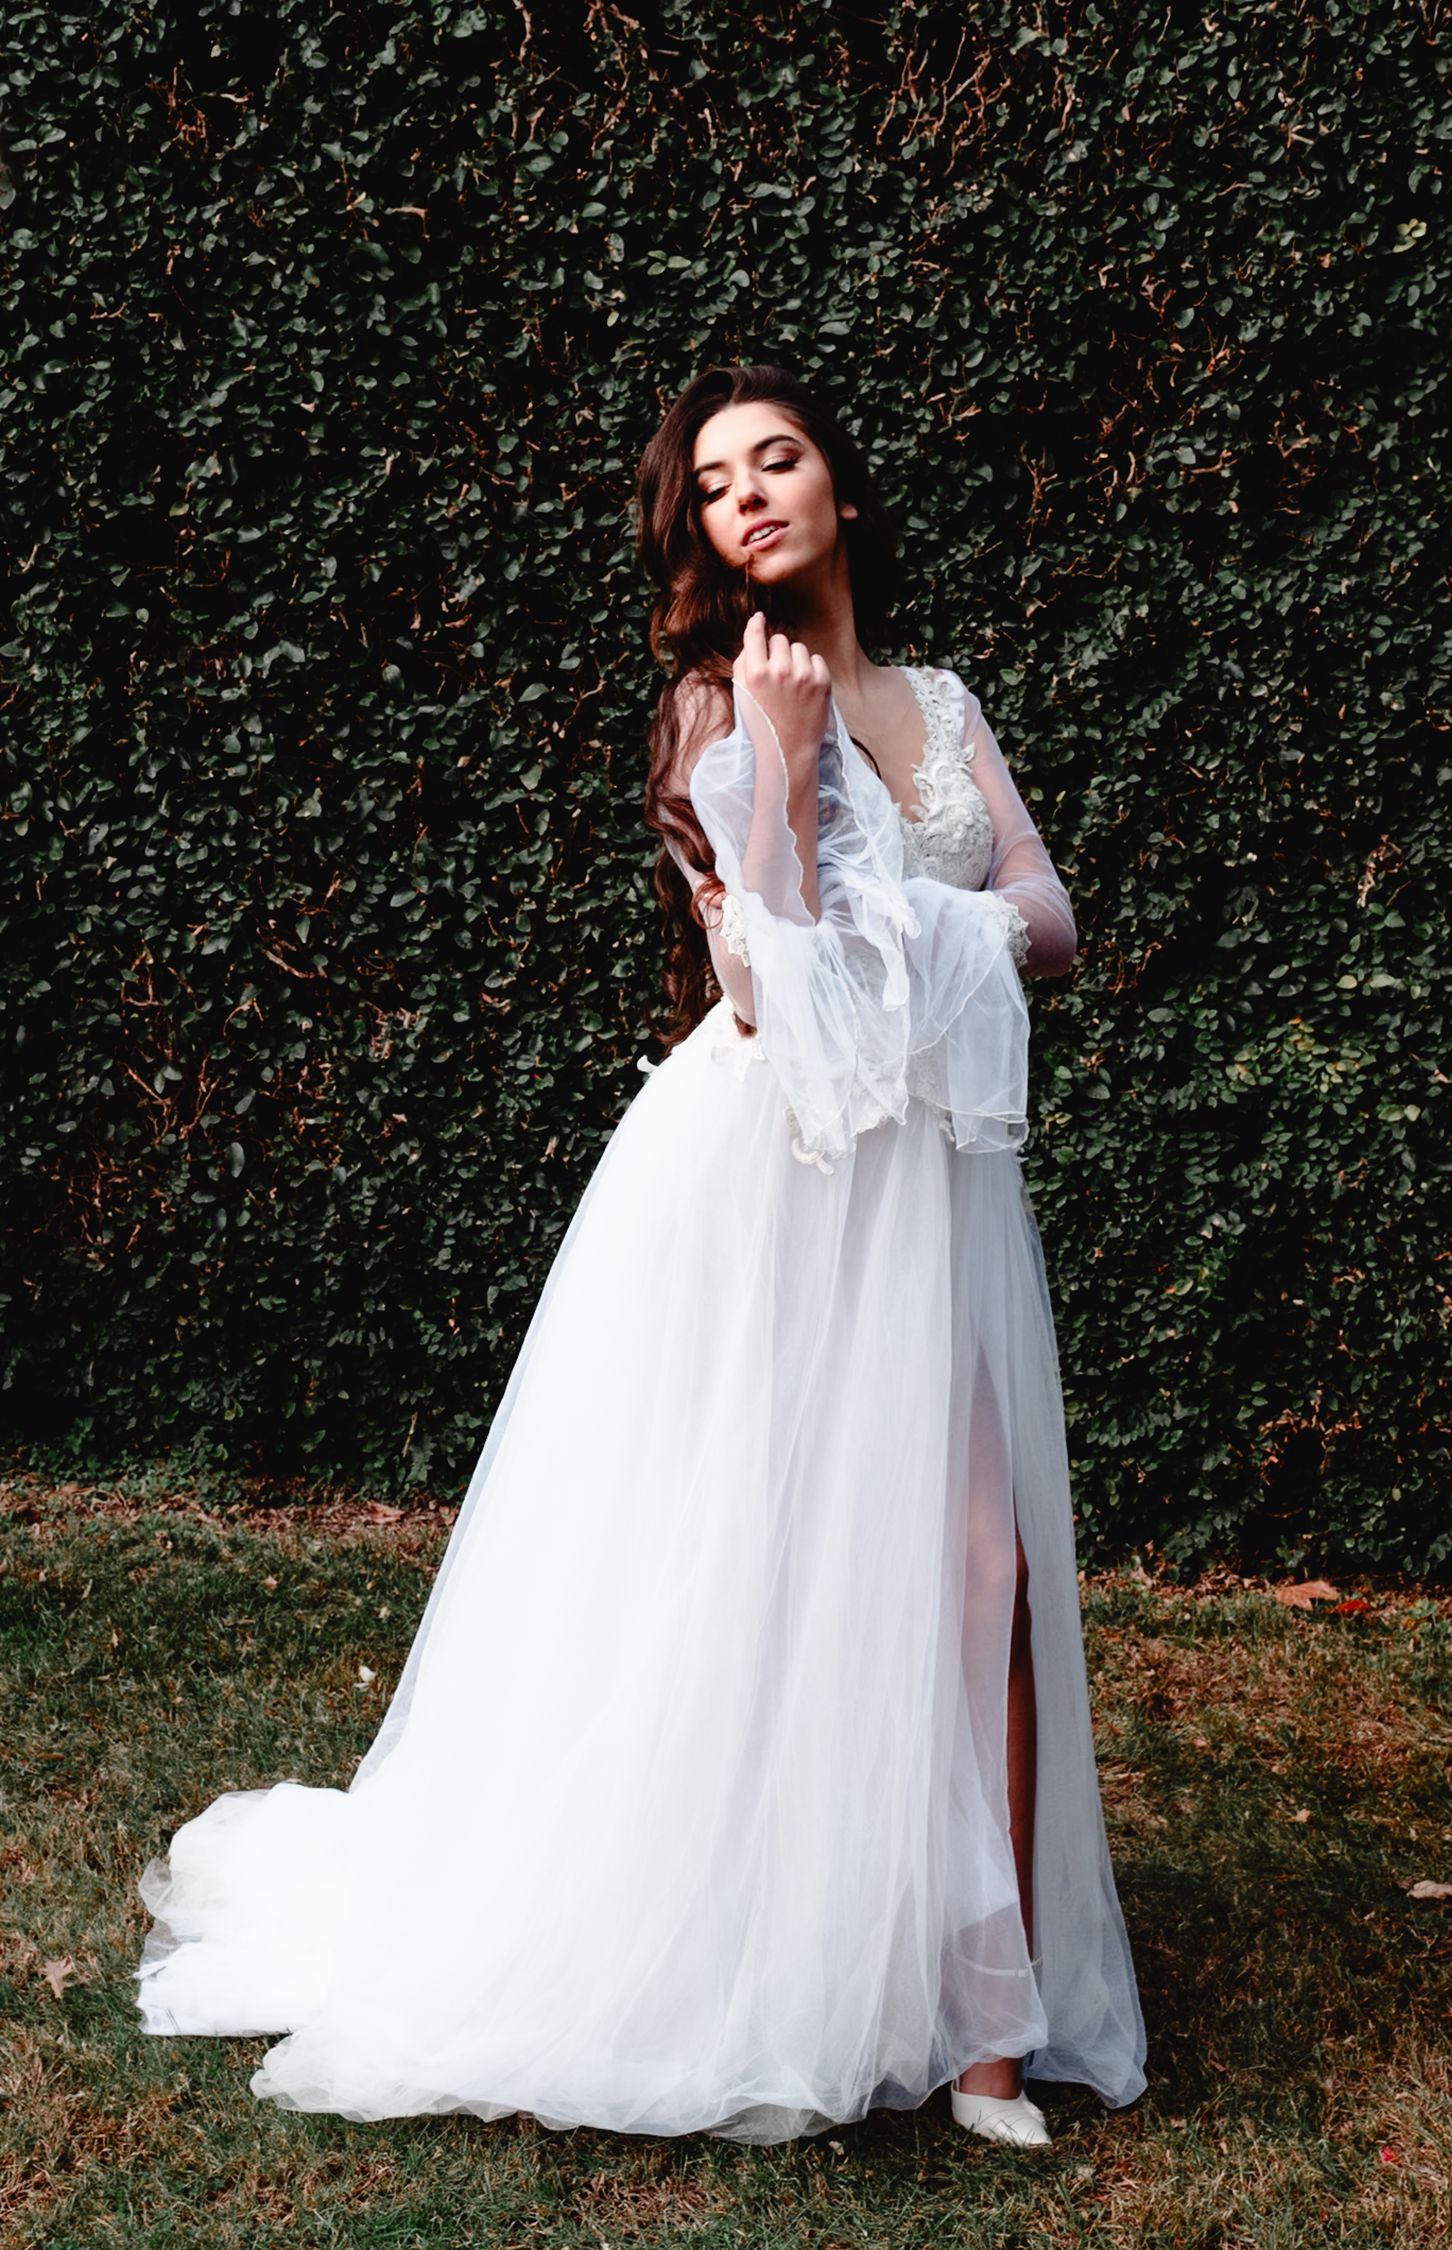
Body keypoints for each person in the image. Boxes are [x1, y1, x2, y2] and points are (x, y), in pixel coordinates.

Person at [134, 362, 1147, 2151]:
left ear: (839, 486)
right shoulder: (715, 703)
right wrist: (791, 781)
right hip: (767, 1178)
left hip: (930, 1185)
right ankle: (738, 1933)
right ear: (697, 534)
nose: (749, 493)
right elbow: (761, 981)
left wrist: (901, 918)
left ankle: (996, 2023)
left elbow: (1052, 919)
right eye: (713, 483)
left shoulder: (939, 701)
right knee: (738, 1561)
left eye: (781, 459)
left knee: (982, 1564)